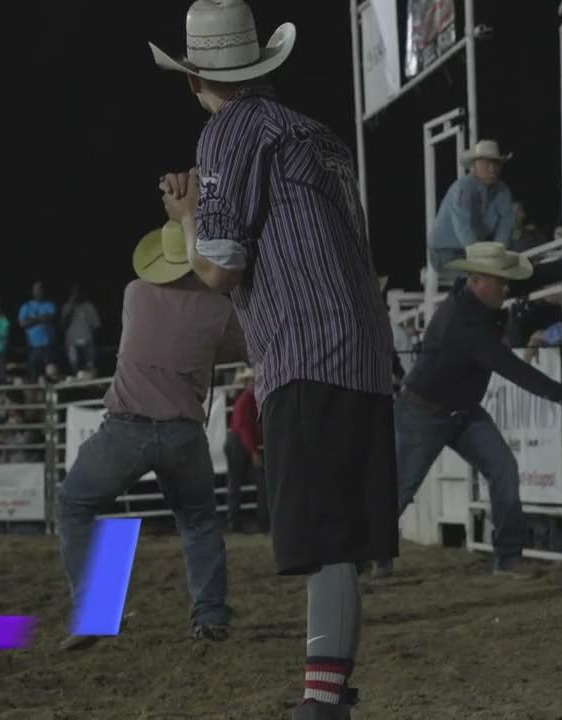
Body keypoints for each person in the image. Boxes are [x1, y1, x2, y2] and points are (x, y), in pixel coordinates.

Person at [151, 3, 396, 714]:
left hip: (305, 348)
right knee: (340, 534)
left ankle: (320, 706)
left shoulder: (226, 131)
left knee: (322, 536)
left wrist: (186, 217)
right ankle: (328, 695)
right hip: (360, 348)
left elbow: (221, 268)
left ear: (197, 76)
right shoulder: (317, 136)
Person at [56, 220, 247, 651]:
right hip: (183, 433)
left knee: (74, 502)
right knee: (198, 520)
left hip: (127, 427)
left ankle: (99, 610)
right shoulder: (219, 311)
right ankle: (210, 616)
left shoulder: (135, 294)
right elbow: (242, 346)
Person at [381, 242, 562, 580]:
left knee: (503, 469)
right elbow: (513, 369)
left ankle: (508, 557)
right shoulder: (463, 324)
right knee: (400, 488)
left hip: (457, 410)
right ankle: (365, 556)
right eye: (501, 282)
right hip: (423, 412)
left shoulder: (478, 298)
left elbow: (533, 275)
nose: (506, 287)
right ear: (478, 281)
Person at [428, 139, 515, 283]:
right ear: (474, 165)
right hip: (445, 252)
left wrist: (497, 255)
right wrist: (483, 260)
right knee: (480, 279)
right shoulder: (463, 188)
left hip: (476, 251)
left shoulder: (503, 191)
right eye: (487, 163)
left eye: (496, 163)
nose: (492, 168)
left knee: (501, 271)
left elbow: (505, 226)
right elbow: (463, 228)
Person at [225, 367, 264, 533]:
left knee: (236, 483)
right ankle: (259, 521)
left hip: (238, 442)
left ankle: (235, 521)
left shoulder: (246, 399)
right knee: (249, 481)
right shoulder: (248, 400)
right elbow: (245, 428)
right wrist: (254, 451)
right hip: (241, 443)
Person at [19, 282, 57, 382]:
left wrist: (31, 320)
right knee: (34, 375)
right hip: (32, 347)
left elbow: (49, 318)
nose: (38, 291)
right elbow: (23, 323)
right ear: (32, 291)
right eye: (36, 289)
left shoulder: (49, 304)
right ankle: (35, 397)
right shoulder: (26, 306)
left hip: (48, 346)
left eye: (40, 289)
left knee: (50, 375)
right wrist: (40, 318)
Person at [62, 285, 102, 375]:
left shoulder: (89, 306)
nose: (76, 294)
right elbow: (63, 324)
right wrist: (70, 305)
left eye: (77, 292)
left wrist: (94, 341)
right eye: (73, 292)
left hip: (87, 341)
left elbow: (96, 326)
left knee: (90, 365)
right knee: (74, 364)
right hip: (72, 342)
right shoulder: (66, 307)